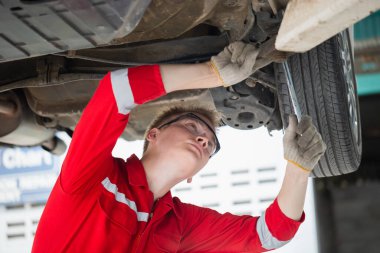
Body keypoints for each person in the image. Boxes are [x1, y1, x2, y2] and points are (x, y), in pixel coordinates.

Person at [32, 42, 326, 253]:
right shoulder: (93, 178)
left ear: (192, 175)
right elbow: (115, 92)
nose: (203, 140)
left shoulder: (180, 224)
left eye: (209, 144)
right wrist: (212, 74)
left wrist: (298, 169)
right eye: (192, 127)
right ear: (154, 134)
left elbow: (266, 234)